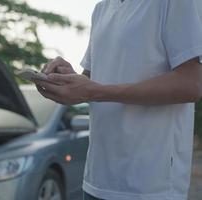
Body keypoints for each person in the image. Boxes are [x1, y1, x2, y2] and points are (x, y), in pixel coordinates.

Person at [33, 0, 202, 199]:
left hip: (150, 186)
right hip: (96, 179)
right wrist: (65, 77)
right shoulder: (101, 9)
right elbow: (92, 81)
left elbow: (191, 84)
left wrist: (96, 91)